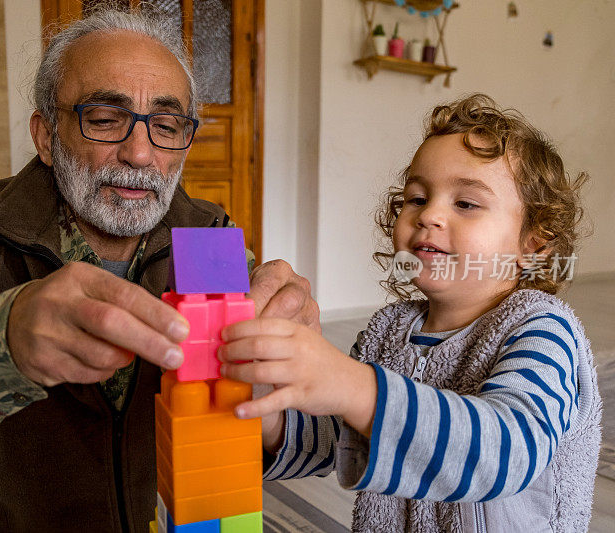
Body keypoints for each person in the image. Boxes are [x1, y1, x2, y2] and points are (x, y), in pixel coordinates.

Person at [0, 7, 318, 532]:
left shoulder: (210, 237)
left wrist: (281, 394)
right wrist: (3, 340)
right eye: (104, 119)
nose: (141, 153)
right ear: (46, 136)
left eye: (167, 125)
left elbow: (319, 443)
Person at [219, 94, 602, 531]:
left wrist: (351, 385)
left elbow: (507, 452)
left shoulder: (542, 328)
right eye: (417, 198)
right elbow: (337, 438)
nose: (430, 215)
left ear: (532, 244)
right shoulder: (389, 331)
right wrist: (271, 413)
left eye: (466, 204)